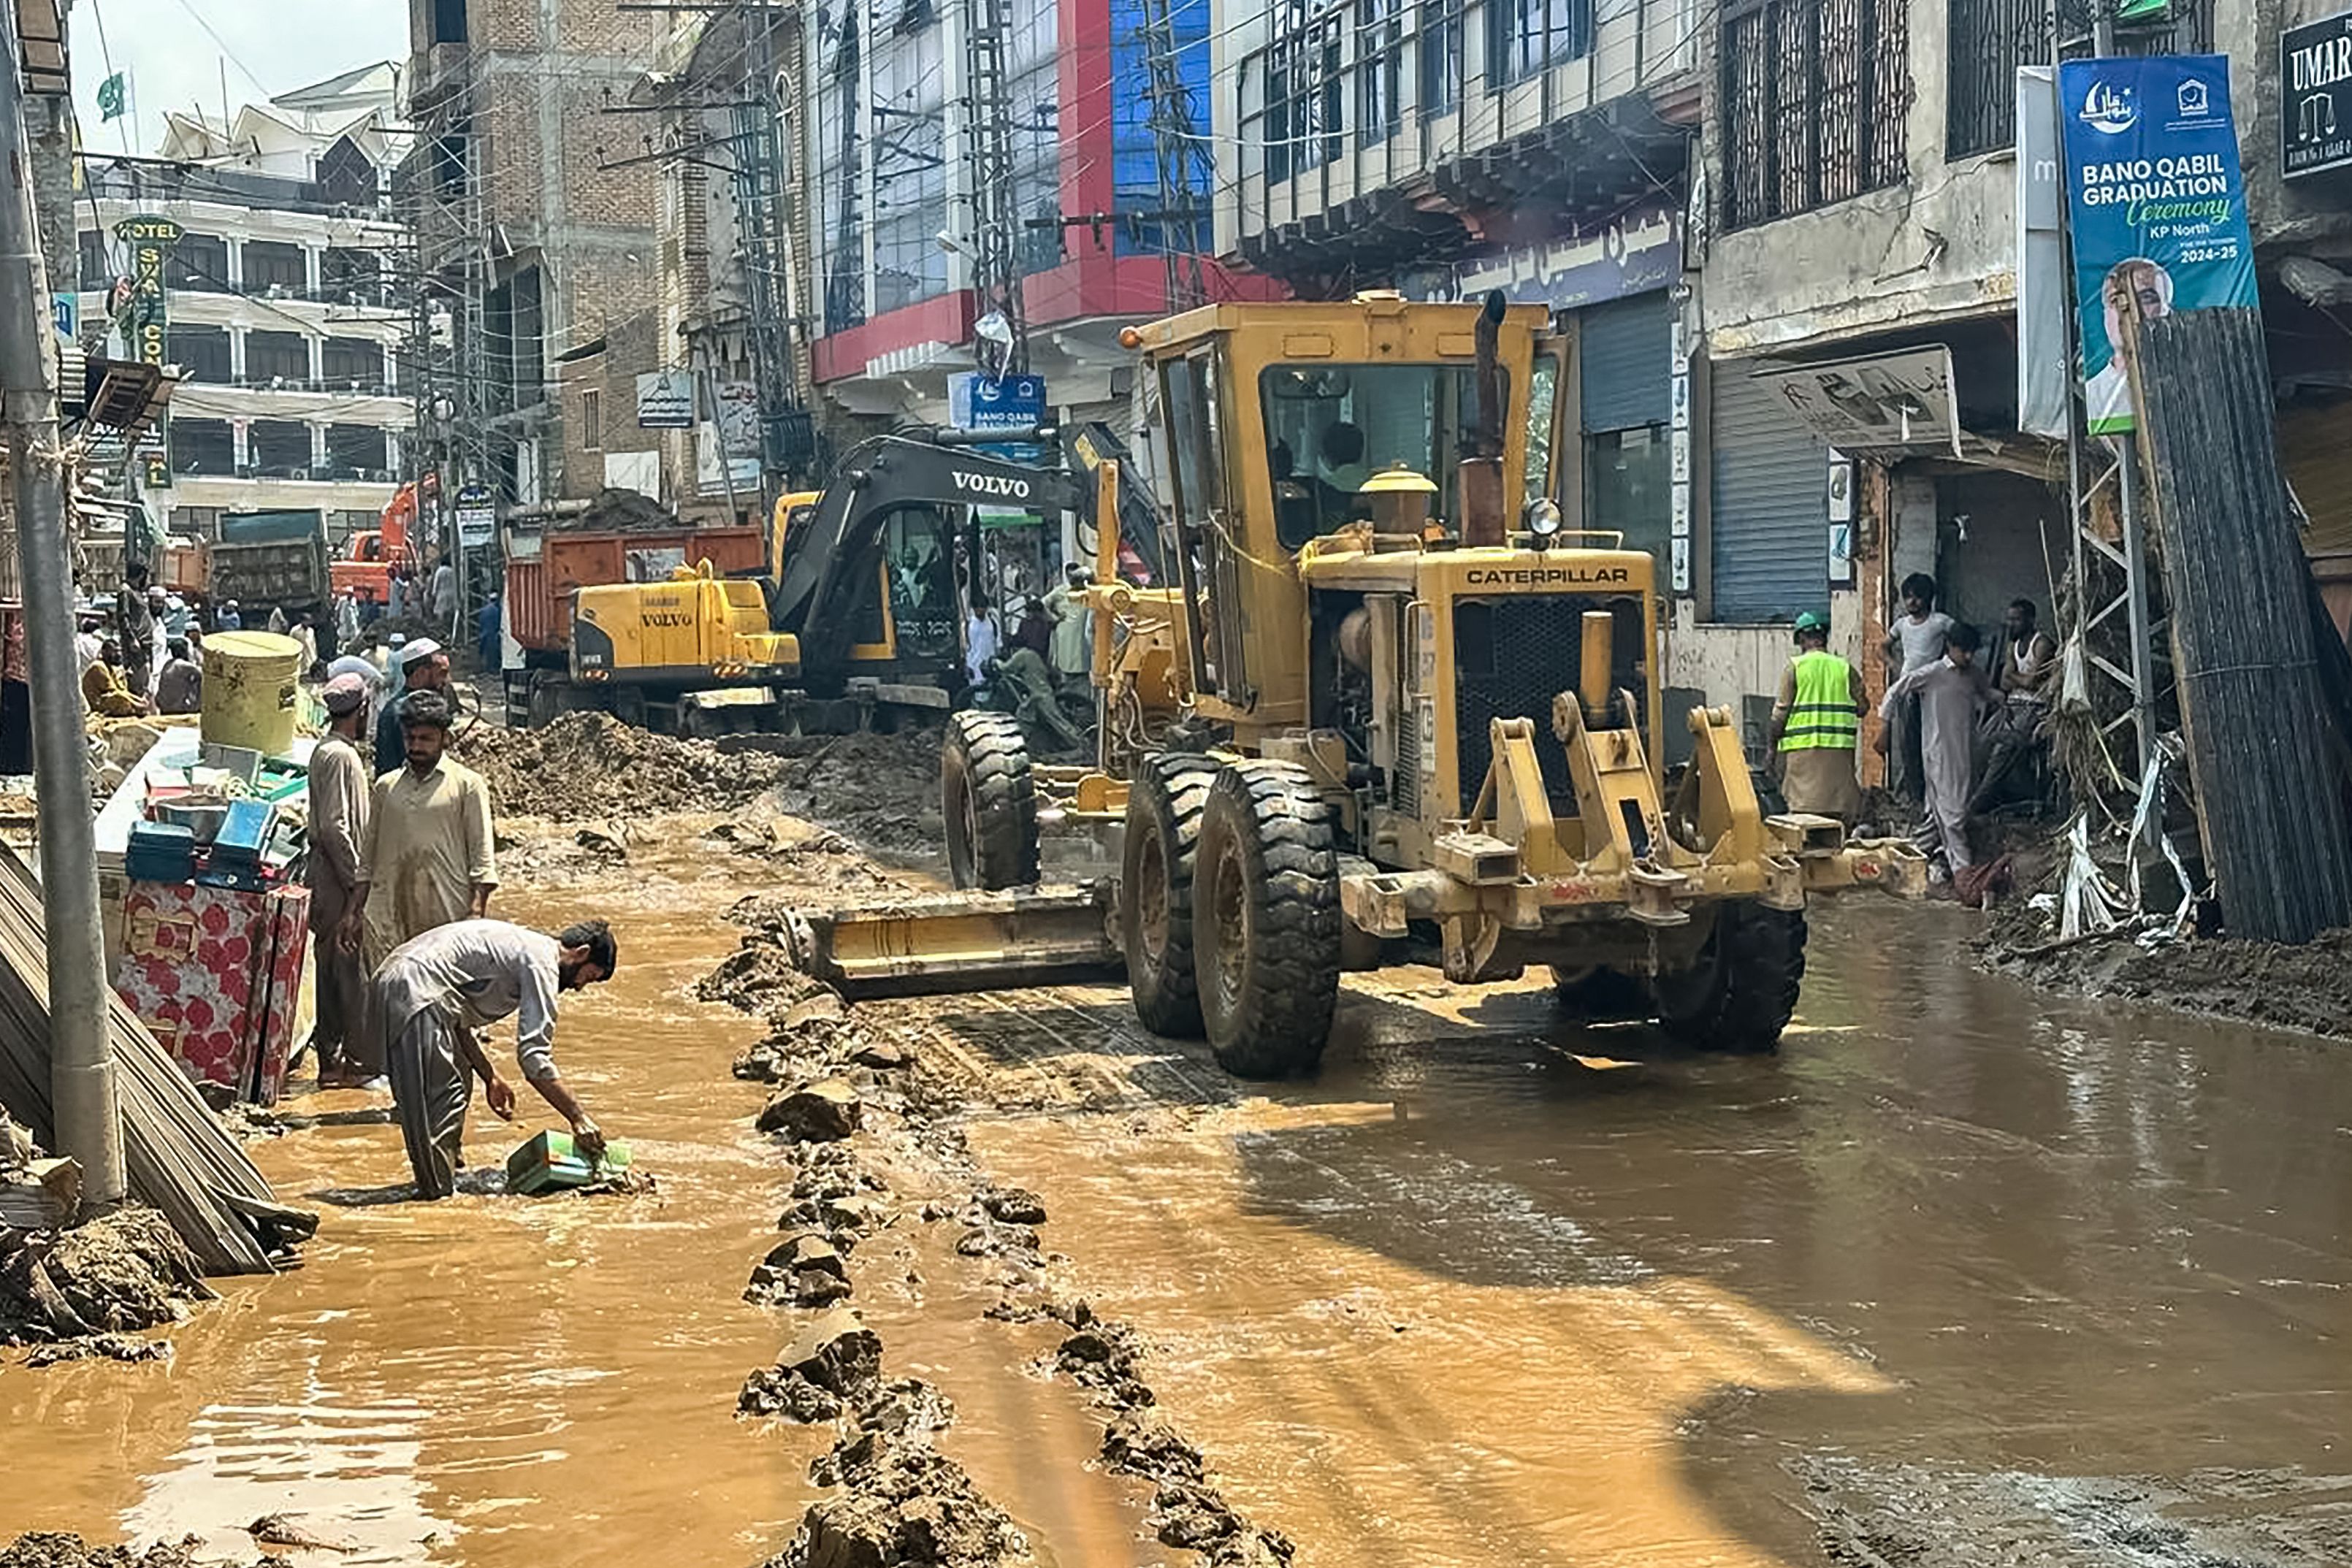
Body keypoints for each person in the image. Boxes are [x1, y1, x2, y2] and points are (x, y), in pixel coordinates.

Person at [369, 917, 615, 1200]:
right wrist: (578, 1118)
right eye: (588, 976)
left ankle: (444, 1175)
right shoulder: (542, 963)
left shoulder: (522, 945)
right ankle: (438, 1200)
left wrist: (490, 1077)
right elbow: (534, 1057)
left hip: (397, 978)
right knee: (441, 1101)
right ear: (581, 953)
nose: (579, 986)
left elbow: (457, 1019)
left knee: (457, 1081)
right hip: (417, 988)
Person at [343, 689, 498, 972]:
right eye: (410, 738)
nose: (416, 746)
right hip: (388, 919)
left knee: (441, 1006)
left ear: (445, 738)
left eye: (425, 739)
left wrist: (476, 915)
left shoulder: (468, 786)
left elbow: (482, 859)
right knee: (388, 1000)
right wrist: (354, 912)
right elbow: (367, 859)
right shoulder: (386, 787)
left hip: (445, 920)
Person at [1879, 621, 1995, 891]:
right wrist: (1884, 725)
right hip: (1939, 753)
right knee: (1954, 815)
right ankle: (1963, 872)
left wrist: (1999, 698)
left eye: (1972, 653)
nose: (1968, 657)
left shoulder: (1973, 674)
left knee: (1939, 816)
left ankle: (1899, 859)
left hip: (1965, 751)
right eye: (1963, 651)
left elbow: (1986, 692)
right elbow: (1896, 690)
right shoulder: (1932, 674)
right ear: (1950, 647)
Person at [308, 675, 378, 1089]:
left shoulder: (332, 751)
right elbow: (336, 827)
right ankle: (348, 1063)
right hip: (336, 876)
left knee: (336, 967)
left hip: (329, 872)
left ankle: (337, 1061)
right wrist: (357, 884)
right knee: (346, 970)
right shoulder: (340, 757)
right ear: (362, 711)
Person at [1768, 611, 1865, 824]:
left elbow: (1779, 717)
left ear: (1801, 639)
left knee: (1802, 816)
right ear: (1824, 638)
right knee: (1839, 812)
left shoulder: (1795, 668)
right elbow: (1863, 707)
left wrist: (1771, 751)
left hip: (1802, 755)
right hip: (1839, 754)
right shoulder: (1844, 669)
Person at [1880, 573, 1955, 806]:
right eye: (1908, 598)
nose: (1912, 602)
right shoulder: (1901, 625)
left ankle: (1934, 796)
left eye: (1917, 597)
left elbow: (1962, 639)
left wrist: (1947, 666)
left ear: (1928, 598)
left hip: (1933, 690)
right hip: (1907, 690)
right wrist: (1895, 666)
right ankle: (1915, 796)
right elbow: (1883, 647)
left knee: (1933, 743)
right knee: (1909, 744)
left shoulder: (1940, 622)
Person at [2085, 259, 2172, 437]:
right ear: (2105, 314)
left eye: (2147, 299)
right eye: (2116, 300)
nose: (2132, 311)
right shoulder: (2094, 393)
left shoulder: (2193, 382)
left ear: (2166, 310)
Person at [374, 638, 448, 776]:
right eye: (441, 674)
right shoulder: (400, 711)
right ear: (421, 673)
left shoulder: (422, 705)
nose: (446, 681)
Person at [1995, 599, 2056, 697]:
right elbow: (2004, 683)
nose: (2011, 624)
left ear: (2030, 620)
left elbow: (2029, 682)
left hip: (2037, 703)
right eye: (2009, 619)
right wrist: (2023, 680)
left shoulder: (2041, 644)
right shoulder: (2013, 646)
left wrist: (2012, 675)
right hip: (2016, 701)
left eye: (2016, 620)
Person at [1045, 562, 1092, 687]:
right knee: (1066, 669)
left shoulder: (1088, 592)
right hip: (1065, 634)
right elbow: (1042, 604)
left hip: (1082, 634)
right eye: (1070, 576)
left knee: (1084, 668)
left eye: (1075, 577)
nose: (1072, 580)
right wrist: (1054, 618)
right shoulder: (1060, 591)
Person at [115, 564, 156, 701]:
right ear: (140, 575)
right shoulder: (125, 591)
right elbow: (123, 617)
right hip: (137, 644)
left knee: (145, 680)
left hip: (145, 643)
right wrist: (132, 639)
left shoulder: (136, 591)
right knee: (138, 681)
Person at [80, 640, 147, 717]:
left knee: (124, 697)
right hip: (98, 702)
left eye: (119, 651)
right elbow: (114, 691)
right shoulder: (98, 667)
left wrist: (138, 700)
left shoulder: (110, 667)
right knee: (119, 700)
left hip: (108, 697)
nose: (118, 655)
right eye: (114, 651)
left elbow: (121, 690)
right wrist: (136, 703)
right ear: (104, 652)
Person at [153, 637, 203, 714]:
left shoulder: (169, 664)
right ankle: (198, 708)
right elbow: (201, 673)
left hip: (164, 706)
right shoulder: (182, 665)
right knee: (200, 679)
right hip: (176, 708)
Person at [963, 594, 999, 689]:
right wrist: (967, 665)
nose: (980, 610)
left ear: (986, 608)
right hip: (974, 665)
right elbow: (966, 647)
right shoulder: (969, 625)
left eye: (982, 607)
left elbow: (998, 642)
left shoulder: (993, 623)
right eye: (977, 607)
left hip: (989, 664)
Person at [477, 592, 501, 672]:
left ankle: (484, 669)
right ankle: (493, 669)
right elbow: (499, 623)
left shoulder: (484, 610)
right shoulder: (497, 610)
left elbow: (481, 622)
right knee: (494, 653)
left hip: (484, 633)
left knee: (484, 652)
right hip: (493, 634)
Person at [429, 557, 457, 626]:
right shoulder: (452, 571)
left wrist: (434, 593)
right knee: (450, 611)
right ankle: (450, 626)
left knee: (441, 611)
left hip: (442, 593)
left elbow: (436, 583)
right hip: (452, 593)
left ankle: (442, 626)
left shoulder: (440, 571)